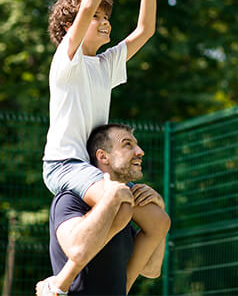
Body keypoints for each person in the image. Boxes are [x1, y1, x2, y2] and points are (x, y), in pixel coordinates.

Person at [36, 0, 167, 295]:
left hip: (96, 168)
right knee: (117, 199)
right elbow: (86, 6)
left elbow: (146, 29)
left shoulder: (105, 64)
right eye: (97, 16)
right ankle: (59, 285)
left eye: (107, 16)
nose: (105, 21)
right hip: (65, 164)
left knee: (156, 219)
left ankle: (121, 289)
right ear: (69, 29)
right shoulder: (67, 61)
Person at [41, 123, 169, 295]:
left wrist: (159, 207)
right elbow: (77, 250)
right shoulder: (69, 200)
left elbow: (151, 269)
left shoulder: (129, 213)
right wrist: (111, 199)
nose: (140, 151)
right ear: (103, 157)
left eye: (136, 144)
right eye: (127, 144)